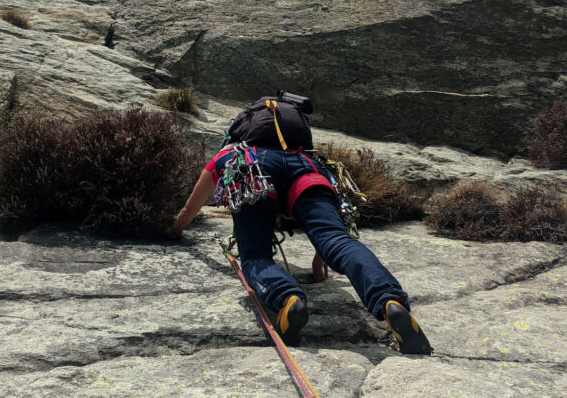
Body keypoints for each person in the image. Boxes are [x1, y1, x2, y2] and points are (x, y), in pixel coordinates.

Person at [168, 97, 432, 355]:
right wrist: (320, 257)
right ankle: (389, 301)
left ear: (242, 129)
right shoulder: (307, 157)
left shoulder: (231, 153)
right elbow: (334, 225)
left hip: (251, 171)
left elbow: (189, 209)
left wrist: (174, 229)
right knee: (338, 240)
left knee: (256, 255)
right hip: (308, 175)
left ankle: (288, 299)